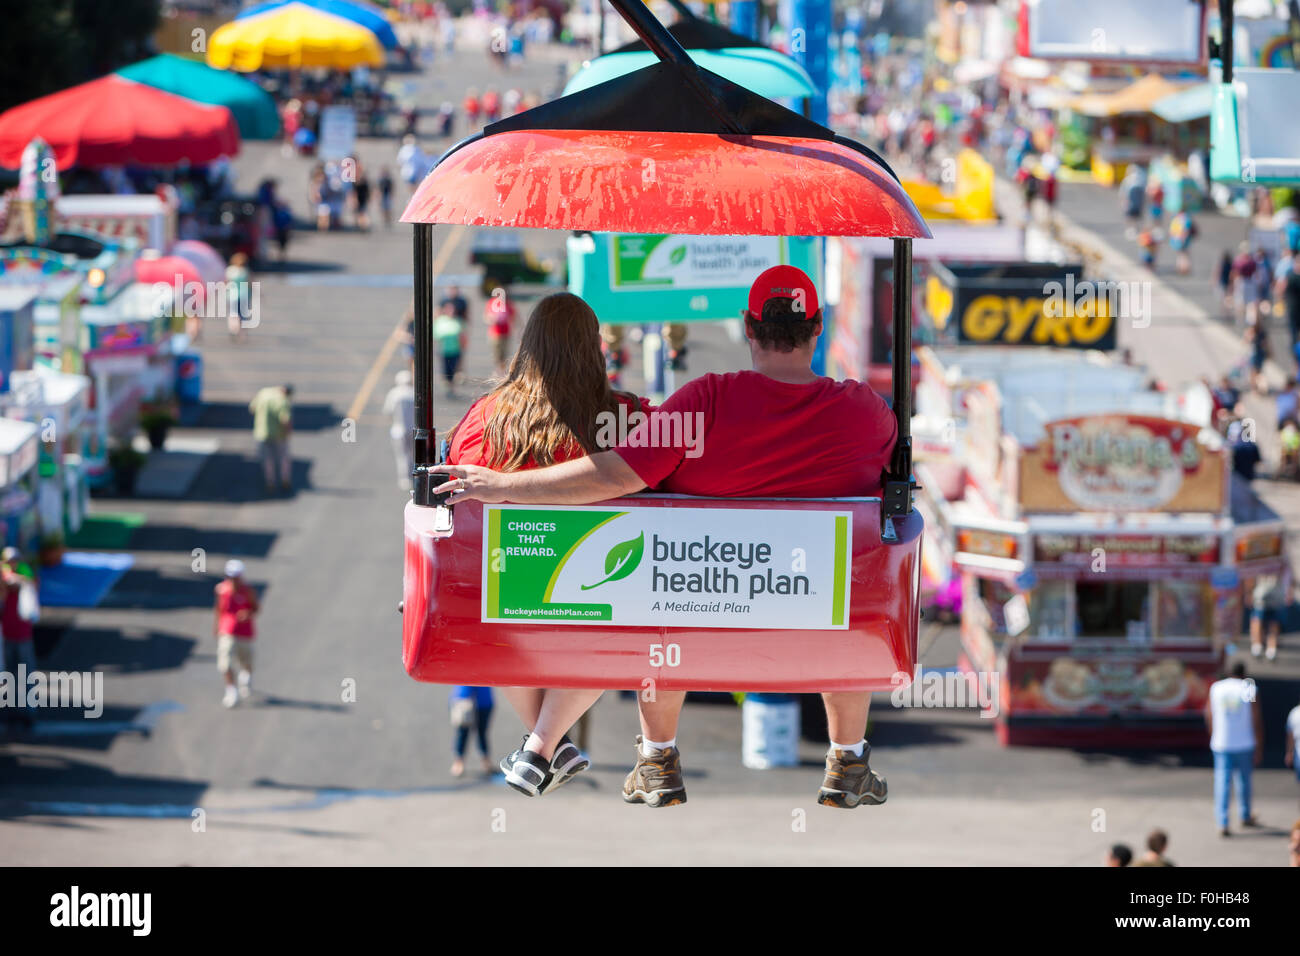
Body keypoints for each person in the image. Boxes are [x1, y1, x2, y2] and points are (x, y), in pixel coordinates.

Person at [434, 266, 899, 810]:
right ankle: (848, 758)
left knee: (655, 592)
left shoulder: (707, 402)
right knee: (840, 592)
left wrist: (505, 487)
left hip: (694, 624)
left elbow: (617, 475)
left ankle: (656, 757)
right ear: (817, 328)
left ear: (749, 327)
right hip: (819, 625)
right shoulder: (867, 413)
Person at [445, 292, 656, 797]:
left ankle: (543, 747)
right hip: (600, 598)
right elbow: (665, 474)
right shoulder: (627, 416)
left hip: (506, 604)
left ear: (526, 346)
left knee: (490, 623)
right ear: (593, 349)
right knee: (625, 630)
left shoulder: (484, 418)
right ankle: (544, 745)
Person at [1206, 660, 1264, 837]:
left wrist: (1213, 733)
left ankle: (1222, 821)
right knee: (1244, 781)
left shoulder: (1216, 687)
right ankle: (1245, 814)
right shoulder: (1248, 686)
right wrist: (1259, 743)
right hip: (1244, 742)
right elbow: (1256, 717)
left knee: (1222, 782)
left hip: (1222, 741)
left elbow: (1208, 712)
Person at [213, 559, 259, 708]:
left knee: (246, 663)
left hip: (245, 633)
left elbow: (255, 608)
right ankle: (231, 691)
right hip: (227, 631)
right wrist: (217, 627)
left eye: (235, 576)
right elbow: (219, 609)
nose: (233, 579)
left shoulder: (248, 591)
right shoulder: (221, 590)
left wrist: (248, 613)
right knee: (225, 663)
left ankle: (245, 678)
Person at [0, 551, 29, 727]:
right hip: (6, 636)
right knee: (7, 676)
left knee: (25, 675)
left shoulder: (24, 574)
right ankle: (10, 711)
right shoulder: (4, 577)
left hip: (23, 635)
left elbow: (29, 583)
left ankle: (26, 712)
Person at [249, 384, 293, 493]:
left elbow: (252, 408)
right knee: (283, 458)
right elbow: (285, 420)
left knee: (267, 459)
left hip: (261, 433)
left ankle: (270, 482)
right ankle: (285, 480)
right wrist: (288, 433)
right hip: (279, 435)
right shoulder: (282, 401)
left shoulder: (263, 393)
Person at [449, 686, 494, 777]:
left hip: (483, 700)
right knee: (462, 733)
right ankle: (459, 762)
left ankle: (485, 761)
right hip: (464, 699)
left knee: (482, 733)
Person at [383, 370, 416, 491]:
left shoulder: (394, 394)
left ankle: (404, 478)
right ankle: (414, 475)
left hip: (398, 430)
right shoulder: (413, 394)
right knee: (413, 454)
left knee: (402, 455)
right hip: (413, 429)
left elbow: (388, 411)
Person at [1250, 570, 1290, 661]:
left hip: (1273, 593)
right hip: (1263, 593)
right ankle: (1259, 645)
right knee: (1259, 619)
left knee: (1270, 621)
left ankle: (1269, 647)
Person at [434, 300, 467, 398]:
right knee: (445, 370)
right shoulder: (440, 321)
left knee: (453, 370)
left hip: (455, 350)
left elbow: (463, 335)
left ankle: (451, 388)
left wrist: (463, 346)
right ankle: (448, 387)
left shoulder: (458, 321)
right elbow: (436, 335)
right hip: (444, 350)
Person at [484, 288, 516, 378]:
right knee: (497, 354)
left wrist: (515, 328)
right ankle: (498, 370)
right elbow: (486, 316)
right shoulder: (491, 303)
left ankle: (501, 371)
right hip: (495, 333)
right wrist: (491, 319)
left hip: (505, 332)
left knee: (504, 353)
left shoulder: (508, 304)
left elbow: (513, 316)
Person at [225, 252, 251, 341]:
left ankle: (233, 328)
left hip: (232, 295)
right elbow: (250, 283)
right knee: (243, 314)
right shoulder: (245, 271)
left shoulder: (230, 270)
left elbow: (226, 282)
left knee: (233, 313)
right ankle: (242, 332)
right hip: (244, 295)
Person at [1168, 210, 1197, 275]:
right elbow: (1186, 229)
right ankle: (1183, 268)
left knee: (1182, 254)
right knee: (1184, 254)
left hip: (1177, 239)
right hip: (1182, 239)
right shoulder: (1186, 218)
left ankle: (1181, 268)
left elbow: (1172, 230)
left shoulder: (1176, 218)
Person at [1285, 698, 1300, 795]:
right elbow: (1290, 736)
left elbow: (1290, 736)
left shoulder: (1294, 713)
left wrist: (1289, 753)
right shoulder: (1295, 713)